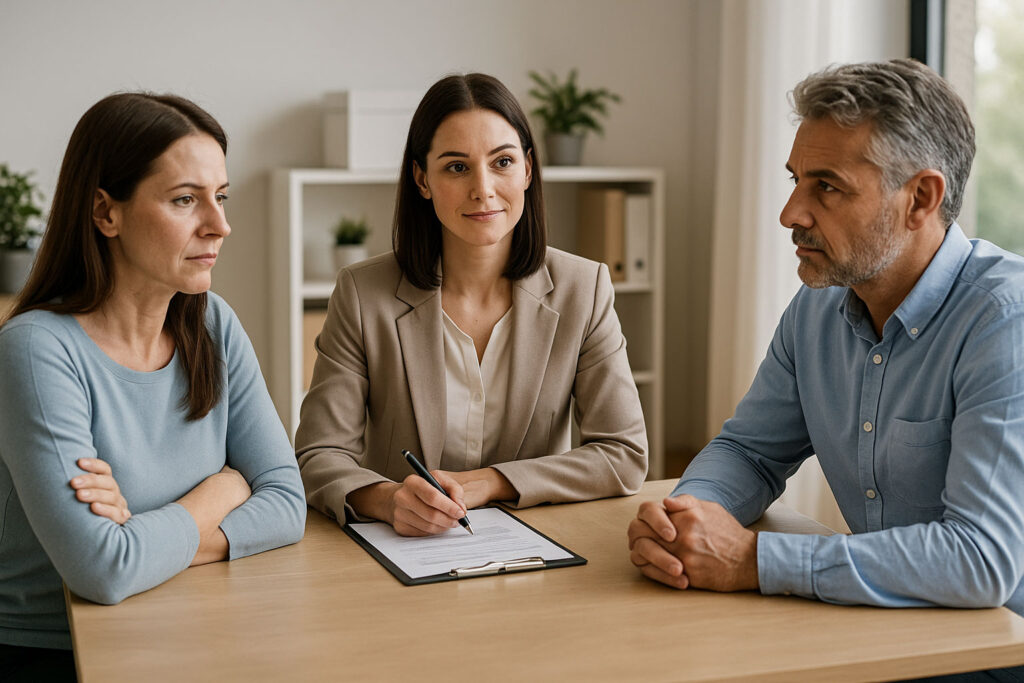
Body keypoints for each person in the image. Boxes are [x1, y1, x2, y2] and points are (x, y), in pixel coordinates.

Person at [629, 58, 1024, 681]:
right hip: (880, 639)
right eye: (794, 181)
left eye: (827, 187)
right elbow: (750, 451)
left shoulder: (1006, 321)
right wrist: (688, 519)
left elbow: (981, 559)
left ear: (921, 197)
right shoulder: (817, 307)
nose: (790, 214)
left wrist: (755, 560)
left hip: (997, 655)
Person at [0, 93, 306, 680]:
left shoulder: (213, 323)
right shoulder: (37, 349)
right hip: (54, 651)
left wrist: (142, 537)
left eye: (220, 197)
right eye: (185, 200)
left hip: (185, 623)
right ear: (104, 212)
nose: (220, 225)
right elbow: (103, 570)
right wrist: (220, 491)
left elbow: (287, 504)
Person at [297, 73, 647, 536]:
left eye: (501, 161)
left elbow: (623, 454)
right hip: (401, 550)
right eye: (457, 167)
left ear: (527, 169)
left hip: (537, 549)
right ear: (422, 178)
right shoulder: (363, 294)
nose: (483, 189)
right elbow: (319, 454)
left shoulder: (584, 288)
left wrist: (490, 483)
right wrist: (387, 500)